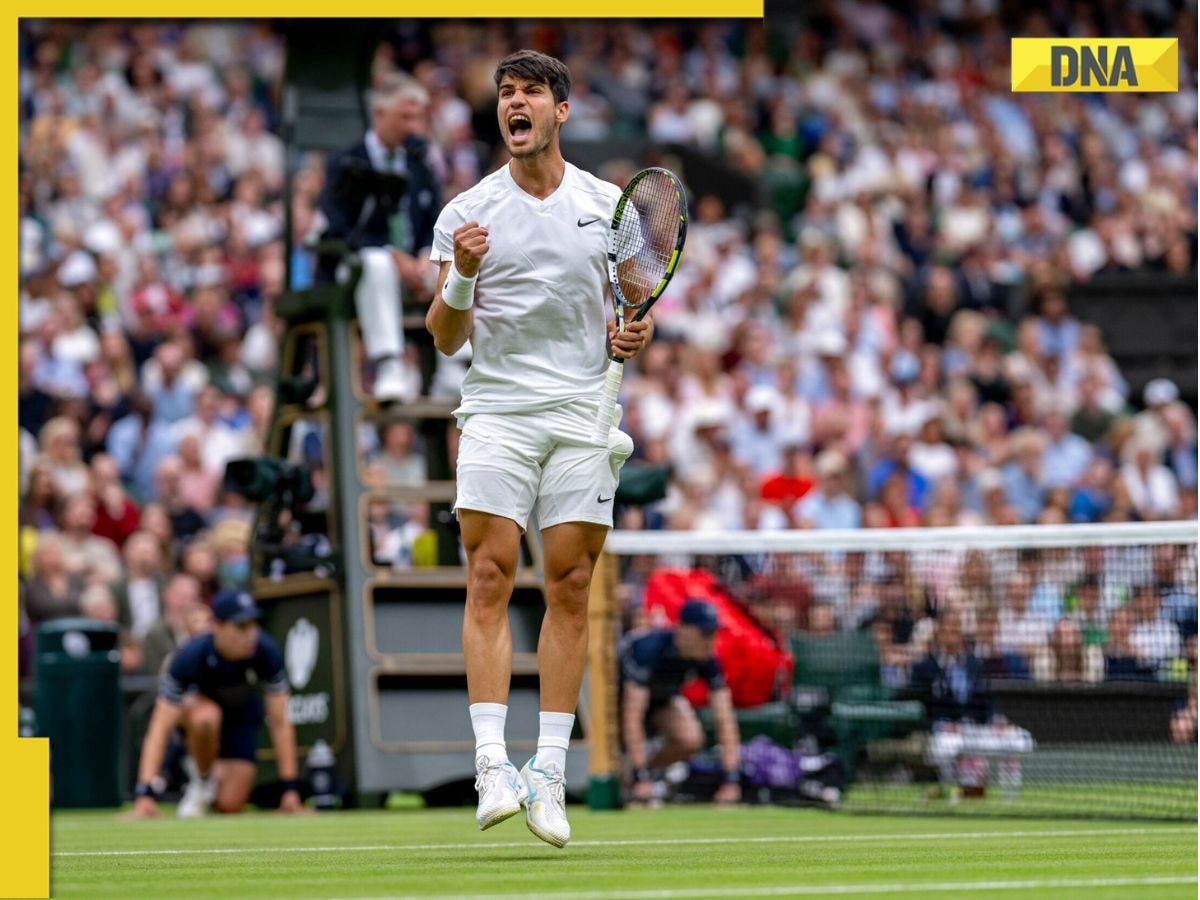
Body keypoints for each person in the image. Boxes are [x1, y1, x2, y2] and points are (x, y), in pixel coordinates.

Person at [424, 49, 652, 848]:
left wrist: (636, 329)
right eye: (505, 94)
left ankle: (549, 772)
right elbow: (446, 337)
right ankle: (494, 764)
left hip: (582, 414)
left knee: (571, 583)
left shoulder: (607, 205)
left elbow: (631, 306)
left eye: (529, 93)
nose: (514, 104)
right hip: (497, 411)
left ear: (561, 110)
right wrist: (461, 275)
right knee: (489, 572)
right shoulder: (466, 213)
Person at [128, 589, 306, 819]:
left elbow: (281, 722)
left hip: (241, 720)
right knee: (207, 717)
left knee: (230, 805)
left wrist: (290, 790)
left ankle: (211, 781)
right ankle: (199, 781)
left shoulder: (266, 652)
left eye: (254, 625)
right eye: (241, 627)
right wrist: (145, 794)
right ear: (217, 626)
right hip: (197, 724)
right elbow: (159, 728)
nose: (250, 634)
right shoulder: (191, 656)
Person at [321, 72, 441, 403]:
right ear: (380, 114)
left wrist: (424, 255)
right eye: (405, 116)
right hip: (355, 268)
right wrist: (391, 254)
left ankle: (454, 367)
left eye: (418, 117)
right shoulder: (346, 162)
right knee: (377, 265)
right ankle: (390, 365)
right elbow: (338, 225)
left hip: (412, 270)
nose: (413, 126)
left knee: (454, 264)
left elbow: (435, 221)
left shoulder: (420, 165)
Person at [619, 600, 742, 806]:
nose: (711, 641)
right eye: (705, 633)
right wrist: (640, 777)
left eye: (713, 633)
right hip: (615, 703)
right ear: (683, 630)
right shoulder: (649, 649)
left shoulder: (707, 657)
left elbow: (725, 717)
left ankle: (644, 776)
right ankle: (636, 777)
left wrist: (731, 780)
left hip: (661, 699)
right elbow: (632, 715)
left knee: (690, 738)